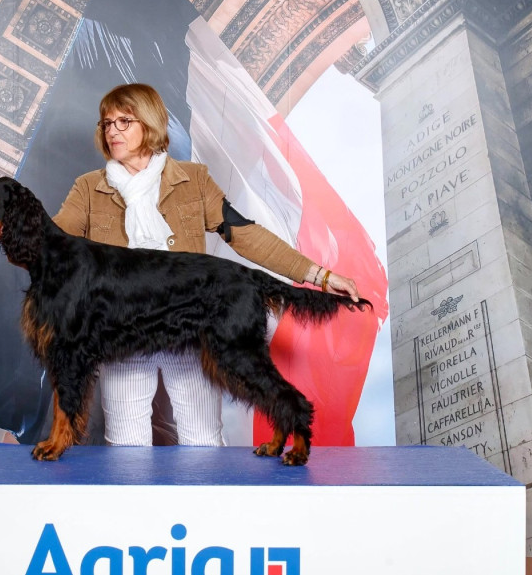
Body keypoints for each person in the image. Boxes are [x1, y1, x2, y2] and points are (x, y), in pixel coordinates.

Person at [53, 83, 360, 447]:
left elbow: (245, 234)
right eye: (106, 123)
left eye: (124, 121)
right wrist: (13, 218)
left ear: (149, 124)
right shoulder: (89, 188)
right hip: (122, 330)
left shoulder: (193, 180)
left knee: (203, 441)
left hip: (191, 322)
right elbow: (53, 245)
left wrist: (319, 275)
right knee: (125, 443)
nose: (112, 131)